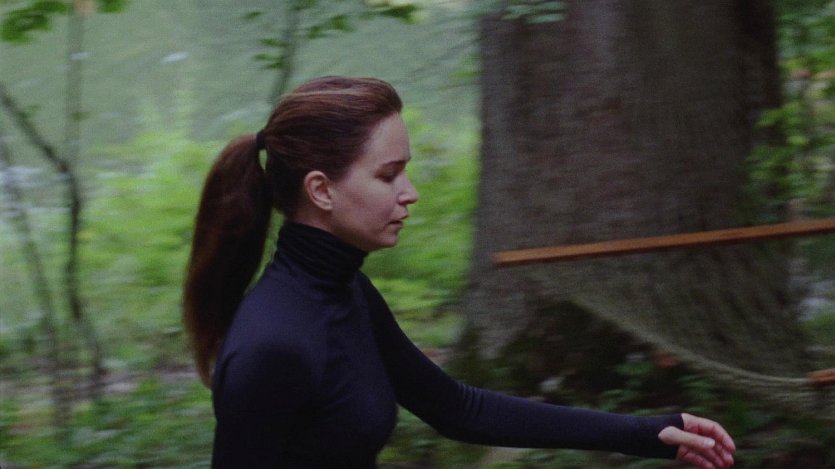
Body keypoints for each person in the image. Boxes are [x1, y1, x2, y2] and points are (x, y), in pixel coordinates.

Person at [183, 76, 736, 469]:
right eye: (388, 176)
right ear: (321, 190)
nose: (410, 194)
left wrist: (647, 433)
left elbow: (457, 409)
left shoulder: (343, 290)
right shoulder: (274, 346)